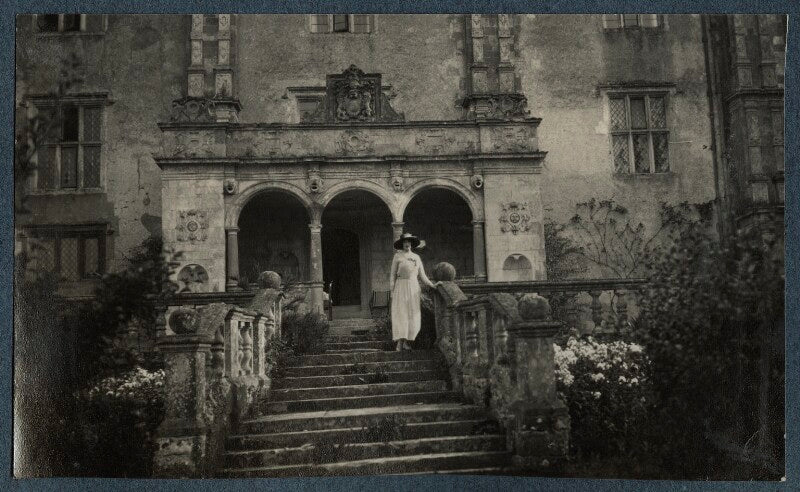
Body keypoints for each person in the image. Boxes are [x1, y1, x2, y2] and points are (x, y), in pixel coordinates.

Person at [389, 233, 440, 351]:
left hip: (413, 288)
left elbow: (423, 275)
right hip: (400, 287)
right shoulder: (397, 257)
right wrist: (392, 291)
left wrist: (433, 285)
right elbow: (392, 276)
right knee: (401, 314)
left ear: (411, 244)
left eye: (409, 241)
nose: (407, 243)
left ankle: (407, 342)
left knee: (412, 314)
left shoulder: (416, 257)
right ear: (402, 244)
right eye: (405, 242)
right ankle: (399, 343)